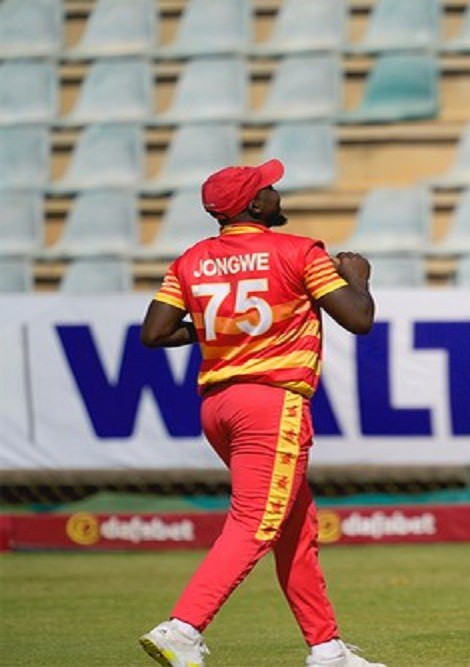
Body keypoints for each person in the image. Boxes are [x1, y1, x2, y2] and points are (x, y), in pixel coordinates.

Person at [137, 160, 382, 667]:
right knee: (255, 522)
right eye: (268, 188)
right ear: (254, 204)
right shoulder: (300, 251)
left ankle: (327, 649)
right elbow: (358, 320)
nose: (276, 192)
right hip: (271, 402)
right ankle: (183, 628)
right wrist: (358, 279)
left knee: (294, 528)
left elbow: (155, 333)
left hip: (219, 406)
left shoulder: (190, 261)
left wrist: (223, 327)